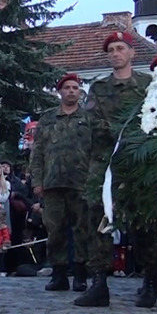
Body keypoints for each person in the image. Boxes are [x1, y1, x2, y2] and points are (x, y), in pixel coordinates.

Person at [78, 30, 152, 308]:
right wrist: (119, 132)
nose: (116, 54)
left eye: (121, 48)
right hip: (105, 165)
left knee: (146, 223)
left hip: (140, 163)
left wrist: (134, 138)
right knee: (99, 221)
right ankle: (99, 282)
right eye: (111, 50)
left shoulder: (148, 85)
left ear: (132, 53)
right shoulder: (99, 88)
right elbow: (93, 121)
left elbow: (156, 117)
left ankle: (150, 281)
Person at [30, 73, 103, 294]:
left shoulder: (89, 118)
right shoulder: (48, 119)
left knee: (82, 230)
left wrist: (94, 179)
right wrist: (37, 181)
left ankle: (80, 274)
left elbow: (97, 151)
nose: (72, 91)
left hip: (81, 183)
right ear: (59, 92)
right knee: (55, 231)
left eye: (75, 88)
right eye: (67, 88)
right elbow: (38, 152)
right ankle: (59, 274)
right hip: (52, 184)